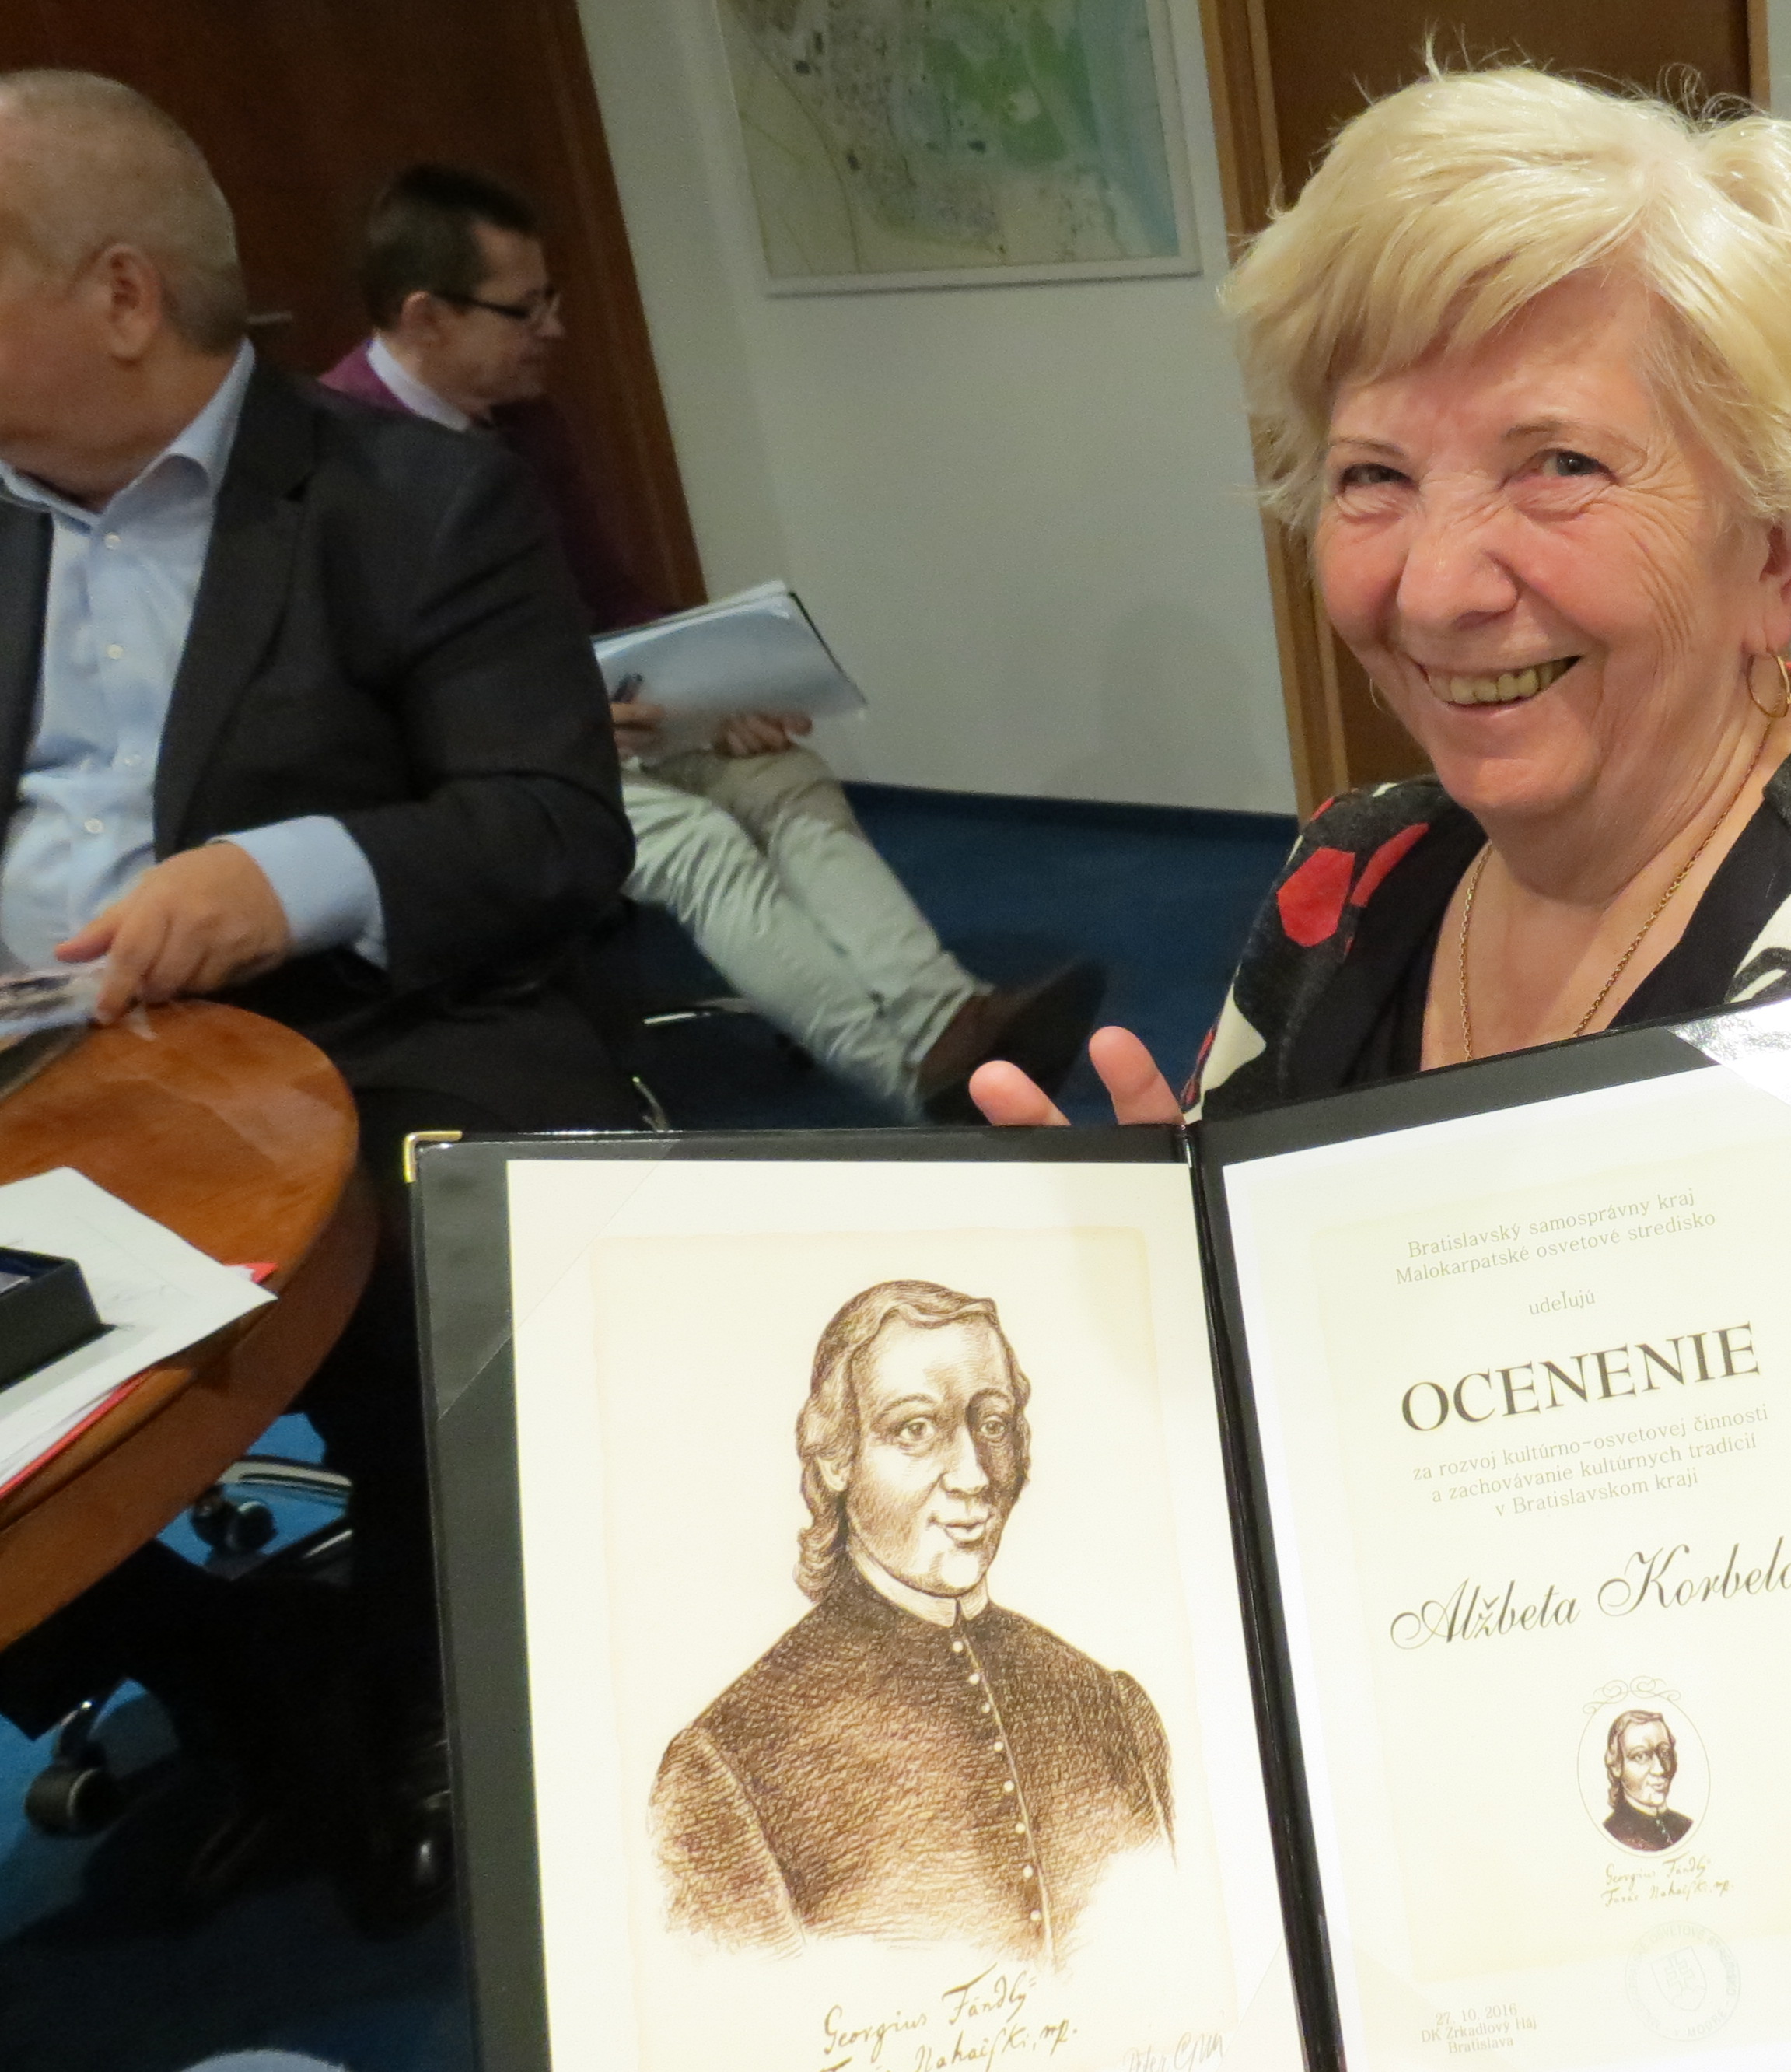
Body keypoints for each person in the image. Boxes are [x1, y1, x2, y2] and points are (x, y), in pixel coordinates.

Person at [974, 66, 1791, 2061]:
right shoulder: (1348, 891)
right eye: (1372, 477)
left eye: (1557, 465)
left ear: (1768, 554)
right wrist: (1145, 1350)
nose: (1435, 583)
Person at [0, 72, 634, 1916]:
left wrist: (278, 877)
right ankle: (242, 1673)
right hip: (33, 1054)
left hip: (360, 1019)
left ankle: (437, 1682)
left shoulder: (418, 497)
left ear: (123, 297)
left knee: (450, 1261)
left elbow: (550, 828)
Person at [323, 164, 1095, 1120]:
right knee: (698, 842)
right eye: (525, 309)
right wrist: (556, 724)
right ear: (427, 317)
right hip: (483, 779)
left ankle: (946, 1021)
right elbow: (355, 707)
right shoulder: (336, 465)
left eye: (552, 298)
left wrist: (709, 698)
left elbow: (610, 598)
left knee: (783, 775)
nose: (554, 328)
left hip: (602, 724)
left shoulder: (526, 424)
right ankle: (920, 1089)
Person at [651, 1278, 1172, 1962]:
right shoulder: (723, 1771)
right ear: (837, 1459)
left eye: (993, 1424)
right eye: (916, 1429)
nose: (973, 1475)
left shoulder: (1112, 1711)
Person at [1600, 1709, 1692, 1854]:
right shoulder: (1612, 1834)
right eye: (1640, 1756)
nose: (1660, 1769)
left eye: (1665, 1753)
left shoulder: (1686, 1827)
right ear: (1617, 1766)